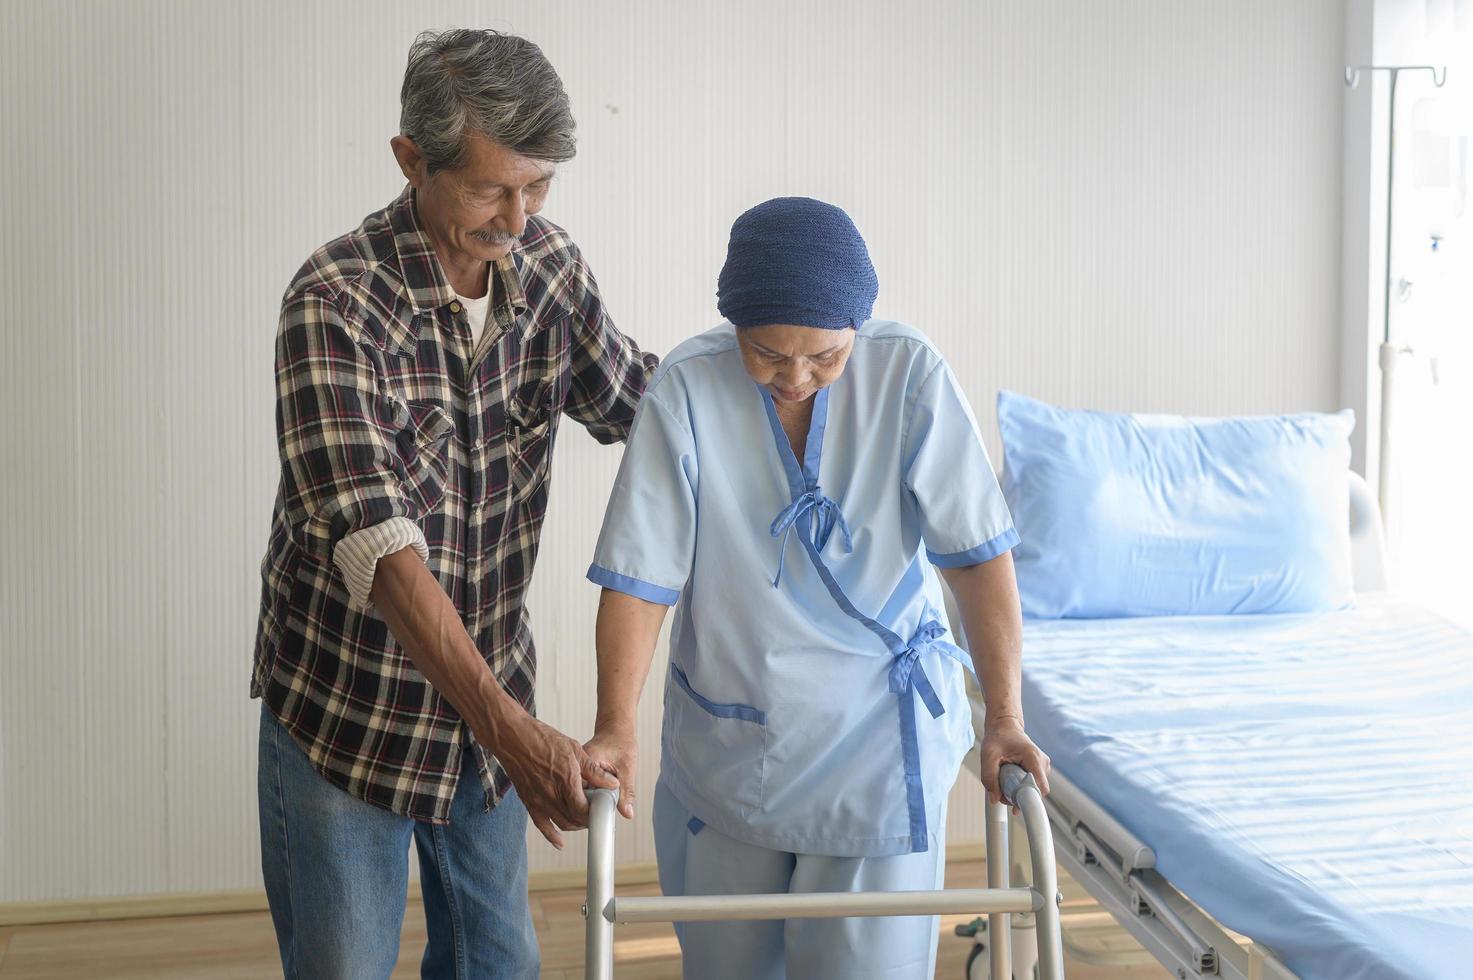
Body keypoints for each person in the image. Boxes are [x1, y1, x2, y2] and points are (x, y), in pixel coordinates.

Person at [251, 29, 655, 979]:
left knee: (500, 965)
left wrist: (790, 378)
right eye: (489, 189)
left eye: (539, 186)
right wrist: (516, 735)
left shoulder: (551, 270)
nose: (519, 218)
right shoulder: (335, 302)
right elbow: (384, 557)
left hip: (486, 719)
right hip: (351, 717)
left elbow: (644, 404)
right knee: (343, 965)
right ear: (410, 159)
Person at [582, 197, 1050, 978]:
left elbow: (974, 556)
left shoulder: (907, 374)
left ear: (856, 331)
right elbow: (640, 577)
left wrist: (1003, 716)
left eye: (825, 358)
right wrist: (613, 728)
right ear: (733, 325)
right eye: (767, 353)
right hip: (733, 740)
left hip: (874, 746)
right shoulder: (687, 390)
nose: (795, 376)